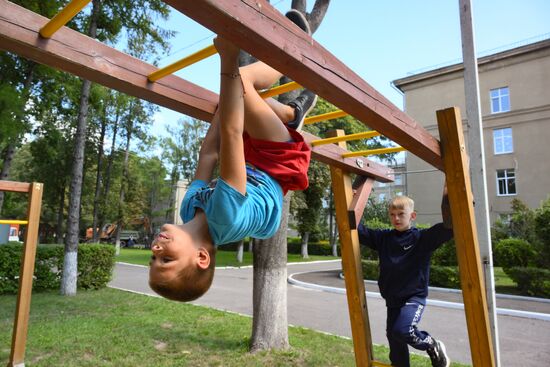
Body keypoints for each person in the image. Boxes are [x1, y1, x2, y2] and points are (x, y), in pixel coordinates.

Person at [149, 11, 317, 302]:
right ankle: (293, 49)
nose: (155, 252)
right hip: (277, 164)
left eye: (152, 261)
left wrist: (223, 105)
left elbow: (209, 153)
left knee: (237, 92)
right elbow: (230, 134)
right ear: (202, 257)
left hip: (252, 161)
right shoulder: (223, 217)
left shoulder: (189, 210)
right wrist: (226, 59)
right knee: (242, 78)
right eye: (166, 261)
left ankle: (292, 113)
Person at [357, 186, 453, 367]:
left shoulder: (422, 239)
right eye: (392, 214)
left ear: (412, 216)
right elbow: (358, 229)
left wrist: (450, 193)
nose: (396, 218)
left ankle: (432, 344)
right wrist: (354, 198)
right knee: (394, 338)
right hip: (393, 299)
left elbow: (449, 226)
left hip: (413, 297)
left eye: (401, 214)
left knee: (403, 330)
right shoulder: (383, 238)